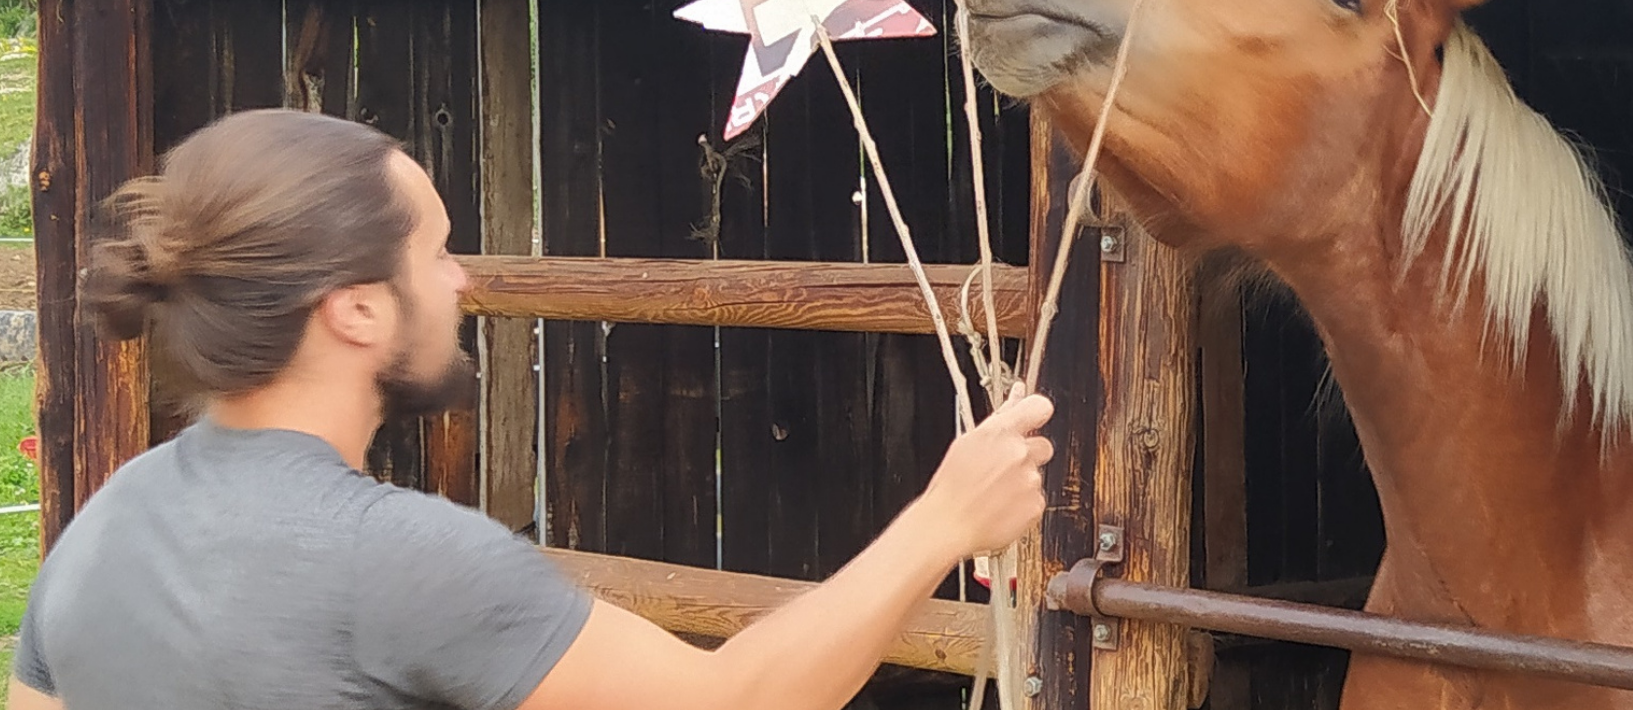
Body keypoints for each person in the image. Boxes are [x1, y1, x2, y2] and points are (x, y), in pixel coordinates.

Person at [8, 108, 1053, 710]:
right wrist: (944, 524)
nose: (462, 280)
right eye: (436, 250)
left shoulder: (106, 526)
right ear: (359, 312)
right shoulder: (403, 556)